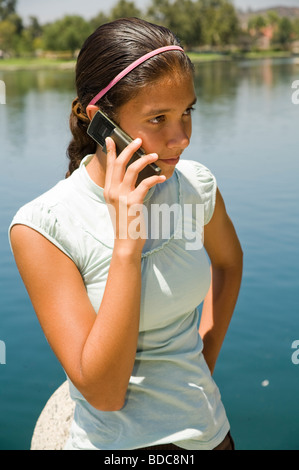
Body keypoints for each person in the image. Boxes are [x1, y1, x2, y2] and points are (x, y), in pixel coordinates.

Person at [9, 18, 243, 450]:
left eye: (187, 112)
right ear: (100, 121)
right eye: (158, 118)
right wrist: (126, 242)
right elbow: (104, 393)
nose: (181, 138)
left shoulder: (195, 186)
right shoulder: (43, 226)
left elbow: (228, 263)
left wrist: (204, 357)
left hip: (212, 438)